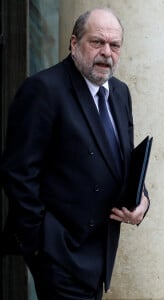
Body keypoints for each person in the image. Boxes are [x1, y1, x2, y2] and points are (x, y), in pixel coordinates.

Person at [0, 7, 150, 300]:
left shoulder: (119, 93)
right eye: (97, 42)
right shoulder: (43, 89)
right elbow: (18, 172)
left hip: (100, 252)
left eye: (114, 45)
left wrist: (141, 198)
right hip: (59, 252)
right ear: (73, 43)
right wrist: (42, 242)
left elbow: (121, 160)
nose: (107, 52)